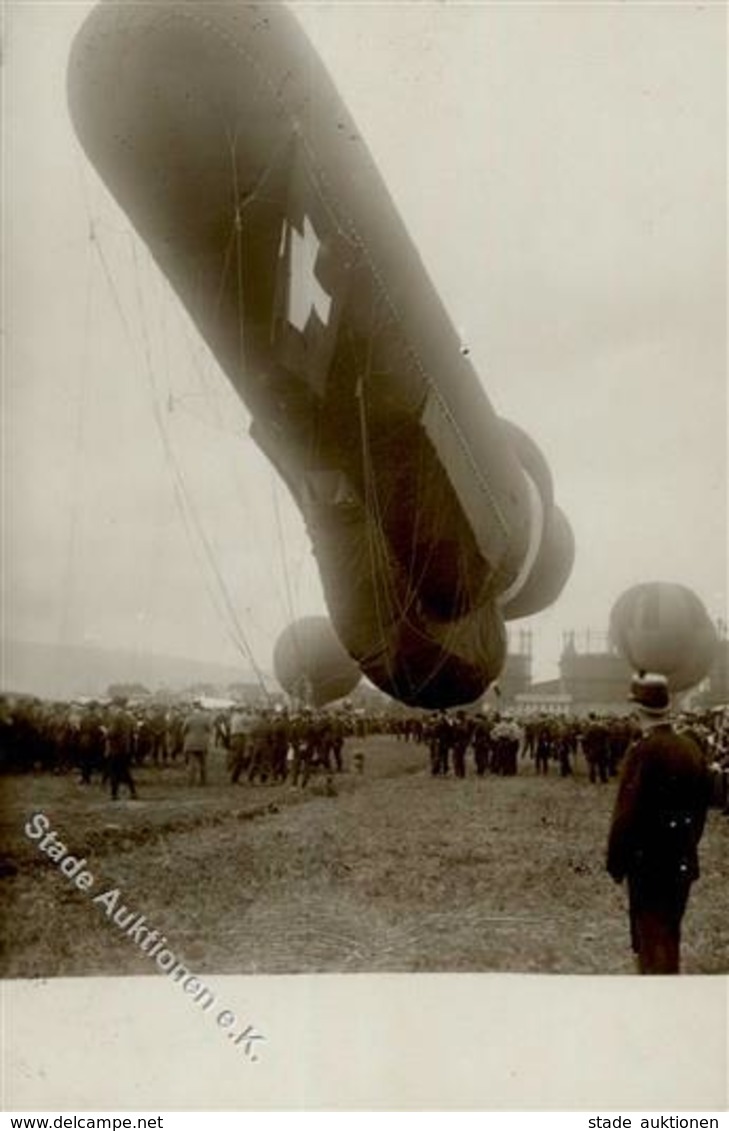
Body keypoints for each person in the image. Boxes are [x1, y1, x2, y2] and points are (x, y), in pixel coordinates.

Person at [606, 673, 711, 974]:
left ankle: (657, 1007)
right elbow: (701, 808)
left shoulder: (643, 752)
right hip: (681, 861)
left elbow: (626, 814)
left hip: (648, 865)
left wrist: (616, 862)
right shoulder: (692, 748)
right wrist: (687, 843)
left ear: (638, 711)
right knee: (671, 934)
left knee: (651, 943)